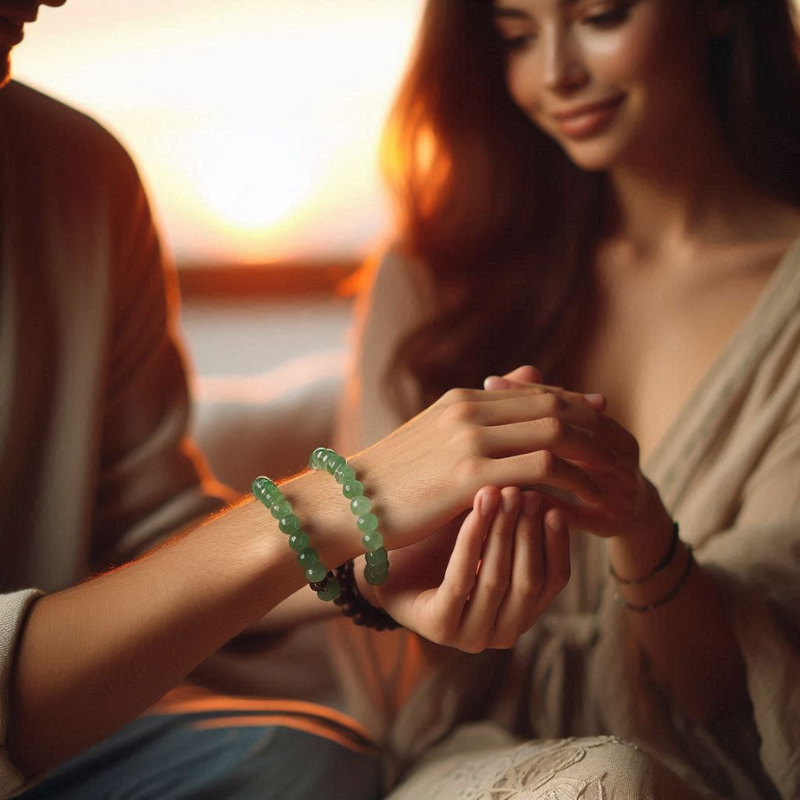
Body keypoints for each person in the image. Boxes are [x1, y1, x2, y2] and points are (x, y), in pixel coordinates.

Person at [0, 3, 610, 798]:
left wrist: (368, 567)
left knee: (312, 764)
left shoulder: (80, 171)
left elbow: (146, 546)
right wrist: (348, 502)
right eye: (518, 35)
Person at [332, 0, 800, 798]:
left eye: (600, 15)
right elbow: (375, 611)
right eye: (516, 36)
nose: (555, 74)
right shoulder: (432, 281)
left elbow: (737, 689)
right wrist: (394, 584)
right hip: (469, 755)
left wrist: (637, 523)